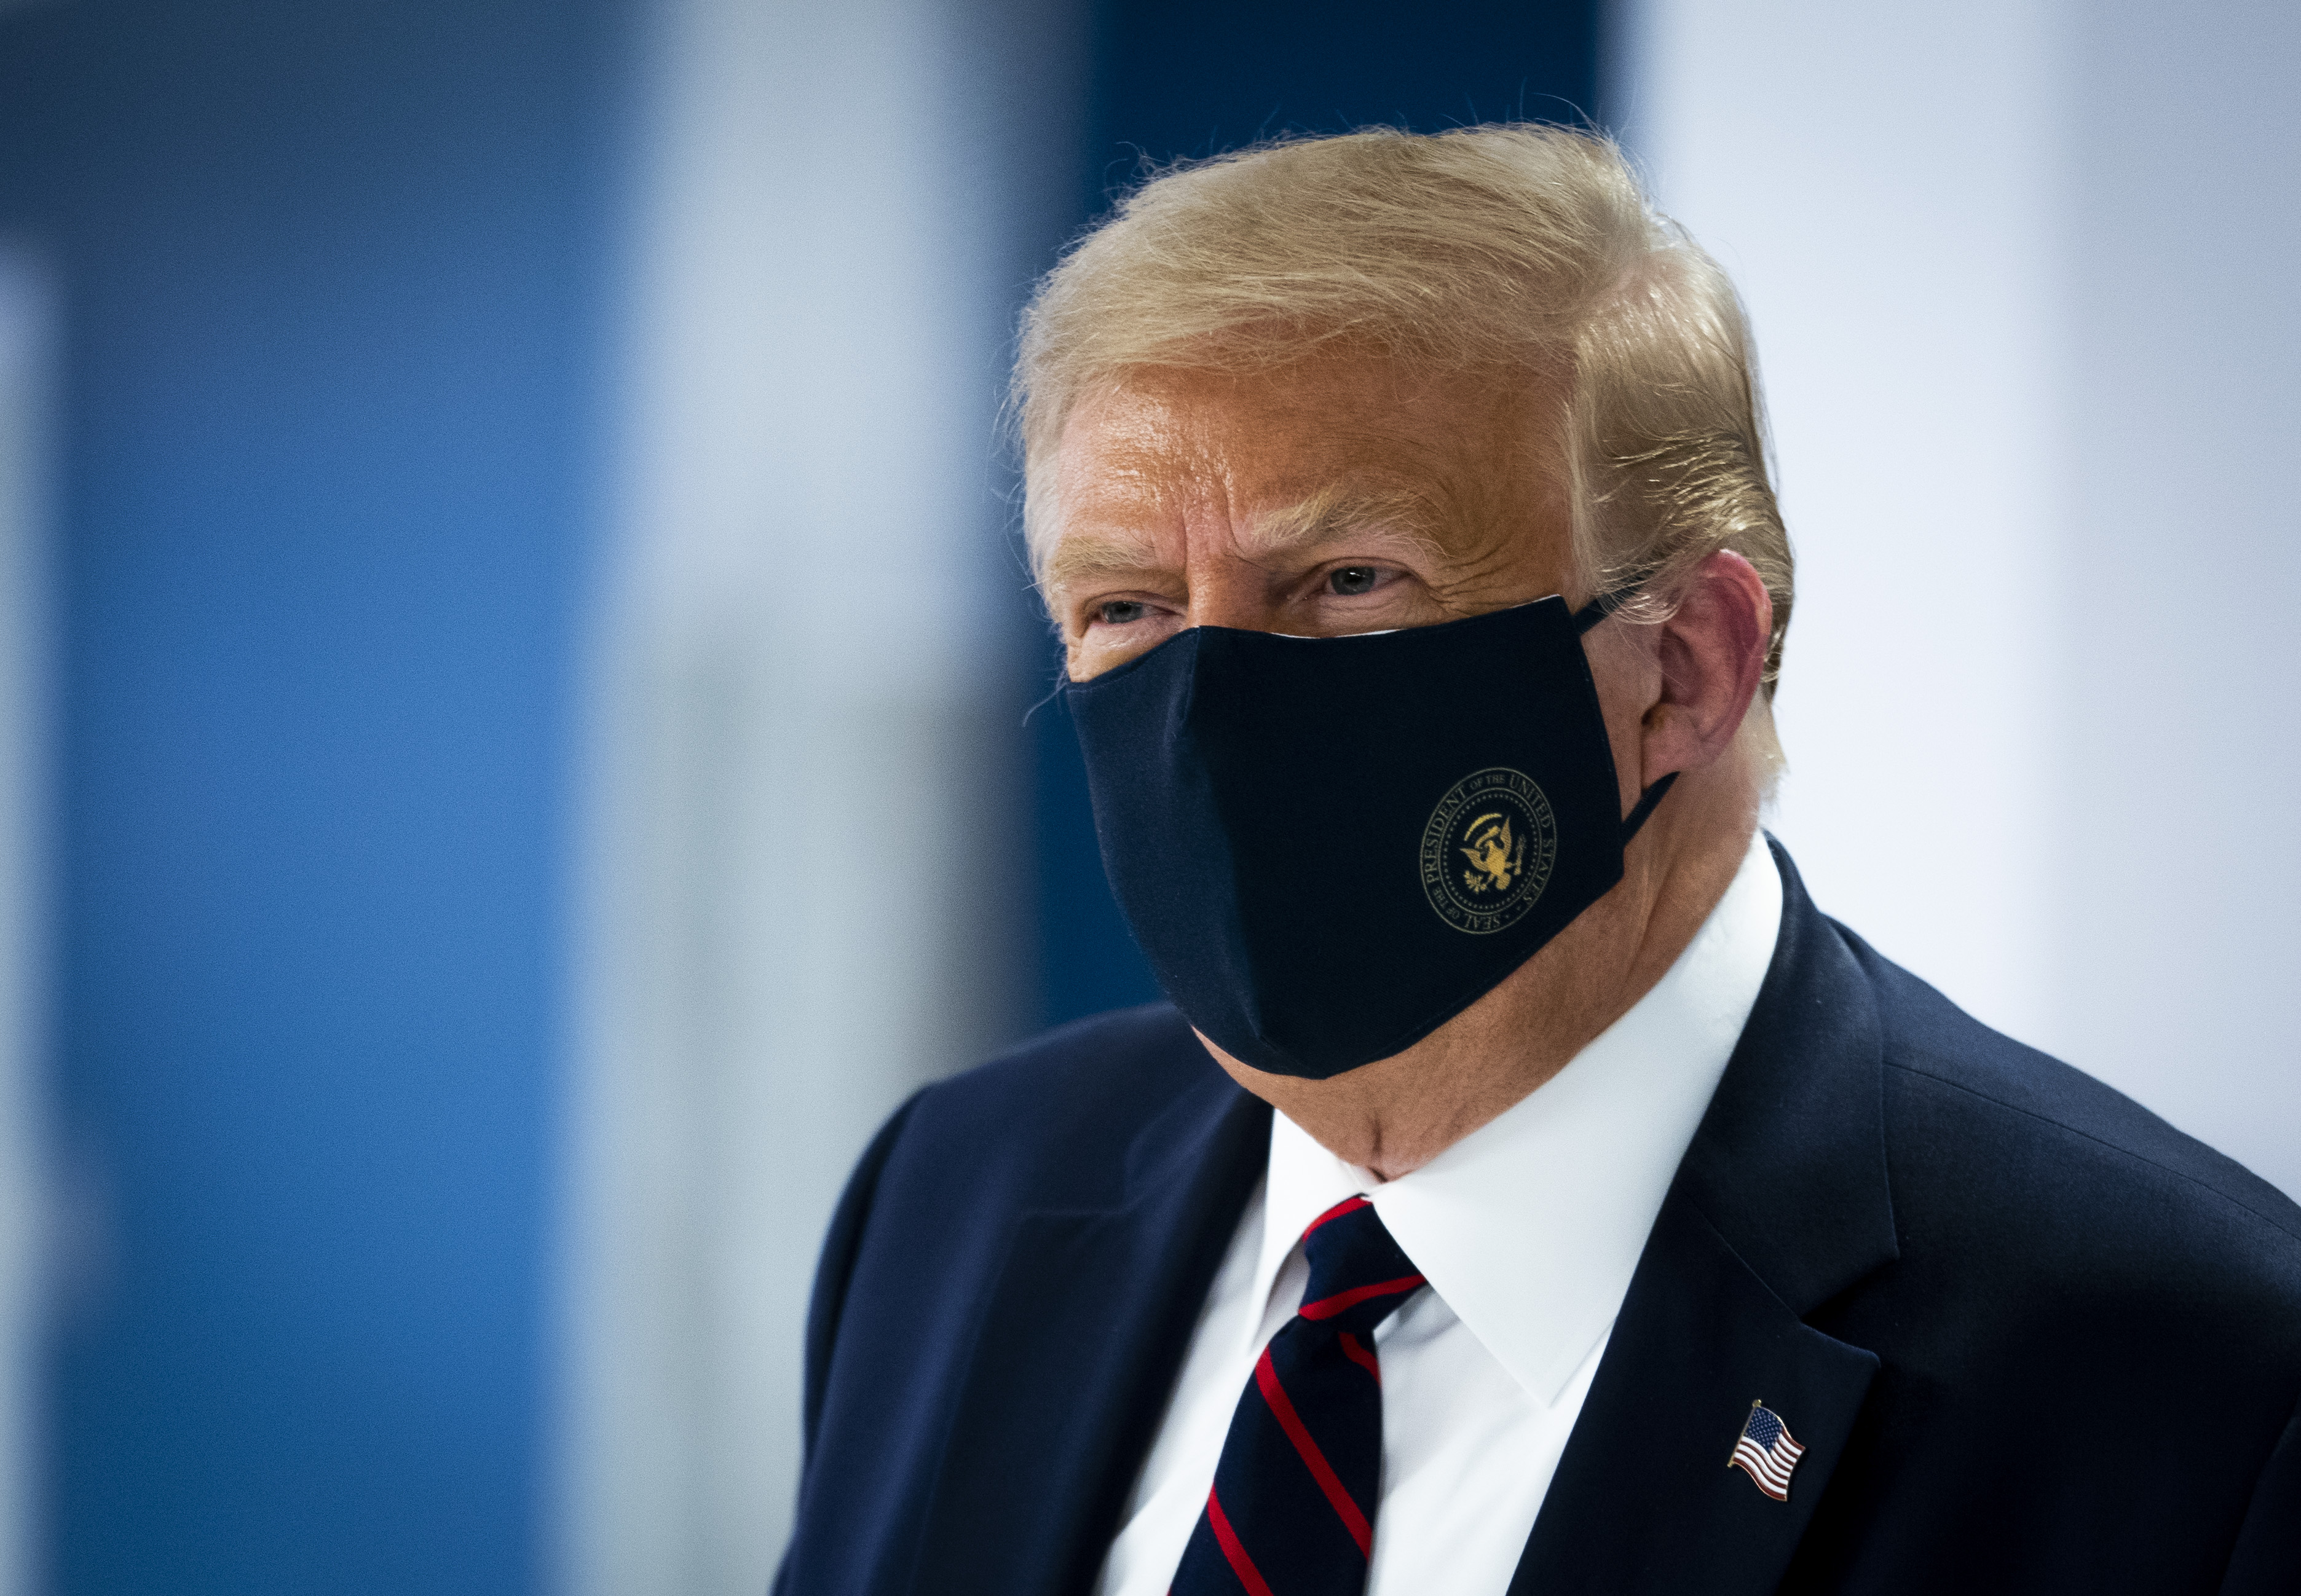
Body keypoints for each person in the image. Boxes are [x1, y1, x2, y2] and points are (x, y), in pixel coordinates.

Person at [771, 126, 2301, 1595]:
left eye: (1351, 580)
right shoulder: (956, 1197)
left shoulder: (2194, 1376)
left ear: (1684, 667)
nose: (1209, 720)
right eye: (1126, 607)